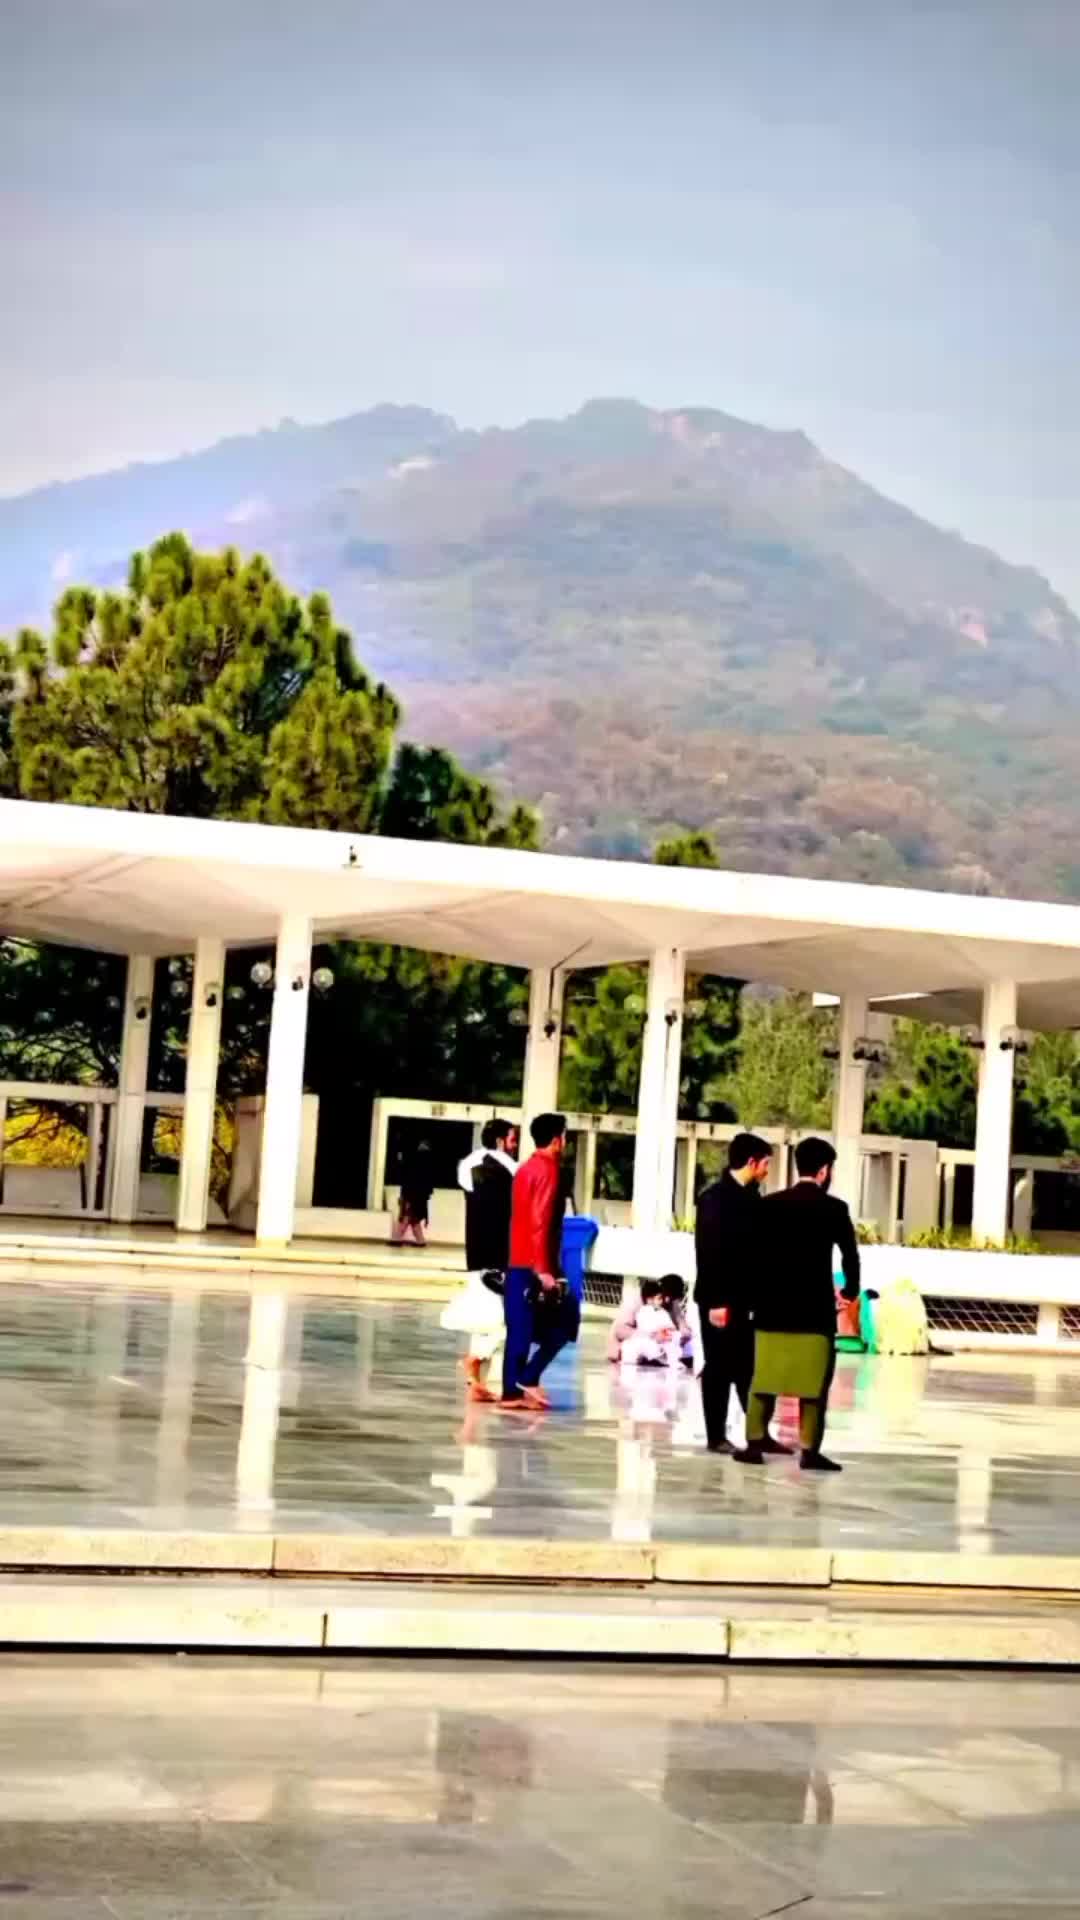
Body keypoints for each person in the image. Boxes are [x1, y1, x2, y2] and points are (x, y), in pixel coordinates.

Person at [736, 1135, 860, 1473]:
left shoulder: (768, 1205)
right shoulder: (834, 1209)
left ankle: (753, 1443)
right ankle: (809, 1451)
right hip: (814, 1312)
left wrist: (750, 1297)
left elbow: (749, 1255)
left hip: (770, 1309)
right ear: (824, 1171)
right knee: (814, 1385)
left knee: (763, 1379)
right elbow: (850, 1255)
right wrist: (849, 1292)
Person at [694, 1132, 785, 1455]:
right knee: (718, 1367)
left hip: (748, 1301)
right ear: (751, 1162)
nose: (767, 1171)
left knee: (750, 1368)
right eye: (766, 1164)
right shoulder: (714, 1199)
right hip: (720, 1301)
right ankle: (716, 1435)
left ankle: (758, 1433)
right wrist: (717, 1302)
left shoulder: (752, 1199)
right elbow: (709, 1253)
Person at [501, 1111, 574, 1410]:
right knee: (564, 1325)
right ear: (557, 1140)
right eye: (565, 1136)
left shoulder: (525, 1169)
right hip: (534, 1263)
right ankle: (528, 1378)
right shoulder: (548, 1170)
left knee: (519, 1330)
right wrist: (543, 1269)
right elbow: (540, 1222)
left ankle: (512, 1393)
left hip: (518, 1259)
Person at [441, 1119, 518, 1401]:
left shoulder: (466, 1164)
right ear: (499, 1141)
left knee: (481, 1317)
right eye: (512, 1139)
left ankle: (476, 1382)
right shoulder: (510, 1167)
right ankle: (476, 1360)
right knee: (505, 1318)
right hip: (501, 1252)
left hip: (475, 1251)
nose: (514, 1145)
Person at [391, 1140, 434, 1247]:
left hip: (413, 1196)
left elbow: (409, 1181)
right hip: (417, 1197)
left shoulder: (417, 1165)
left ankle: (397, 1239)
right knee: (414, 1219)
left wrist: (405, 1197)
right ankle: (420, 1240)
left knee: (407, 1217)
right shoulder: (426, 1166)